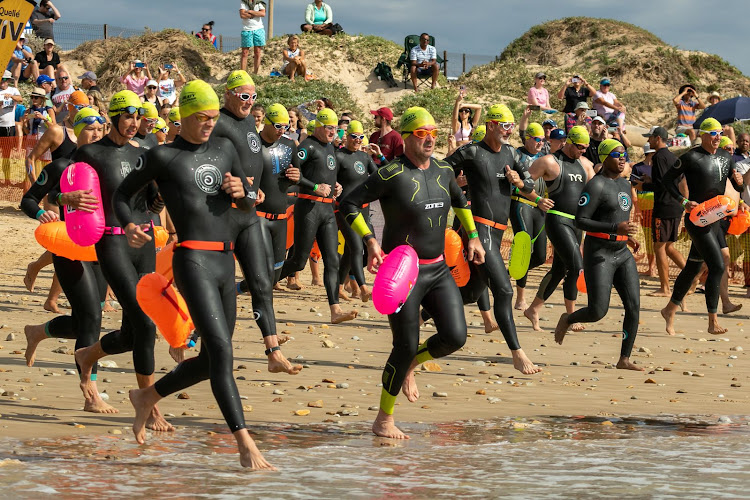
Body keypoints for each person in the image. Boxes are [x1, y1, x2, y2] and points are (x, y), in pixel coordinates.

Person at [113, 80, 274, 470]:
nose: (209, 124)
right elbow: (121, 195)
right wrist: (130, 224)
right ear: (183, 117)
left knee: (212, 360)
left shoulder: (225, 148)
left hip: (225, 261)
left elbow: (250, 200)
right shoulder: (163, 157)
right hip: (192, 260)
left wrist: (243, 191)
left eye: (213, 116)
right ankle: (245, 443)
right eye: (201, 117)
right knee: (220, 351)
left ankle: (146, 397)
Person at [339, 106, 484, 439]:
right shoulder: (391, 174)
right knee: (403, 346)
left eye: (433, 132)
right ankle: (383, 419)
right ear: (406, 137)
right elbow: (348, 202)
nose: (430, 138)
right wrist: (371, 243)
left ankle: (411, 366)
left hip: (437, 269)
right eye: (422, 133)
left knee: (455, 337)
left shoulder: (445, 170)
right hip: (403, 274)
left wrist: (473, 237)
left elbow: (460, 201)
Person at [70, 90, 173, 433]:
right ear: (113, 117)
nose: (133, 124)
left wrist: (158, 202)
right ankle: (149, 403)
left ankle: (88, 355)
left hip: (143, 241)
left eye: (138, 117)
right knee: (145, 323)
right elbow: (60, 185)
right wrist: (63, 197)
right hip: (111, 241)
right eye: (127, 117)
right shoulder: (90, 152)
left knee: (134, 332)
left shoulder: (144, 154)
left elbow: (153, 201)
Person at [20, 107, 118, 412]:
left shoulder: (107, 165)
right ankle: (91, 394)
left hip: (100, 247)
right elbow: (29, 200)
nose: (96, 134)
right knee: (89, 317)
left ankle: (38, 331)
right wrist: (54, 204)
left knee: (89, 320)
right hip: (70, 246)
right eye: (90, 129)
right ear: (77, 132)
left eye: (100, 129)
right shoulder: (62, 166)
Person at [212, 71, 302, 375]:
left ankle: (273, 351)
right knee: (219, 287)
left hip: (248, 214)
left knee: (263, 283)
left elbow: (253, 162)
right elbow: (207, 163)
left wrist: (257, 187)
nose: (249, 102)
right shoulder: (218, 124)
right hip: (221, 215)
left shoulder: (249, 123)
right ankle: (190, 335)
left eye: (253, 96)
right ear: (228, 94)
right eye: (243, 95)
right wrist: (229, 184)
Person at [445, 104, 542, 375]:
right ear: (490, 125)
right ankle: (517, 352)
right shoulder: (473, 151)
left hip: (498, 232)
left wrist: (520, 182)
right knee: (504, 290)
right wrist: (457, 188)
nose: (509, 131)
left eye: (512, 126)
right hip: (479, 230)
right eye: (504, 125)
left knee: (472, 292)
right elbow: (439, 172)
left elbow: (530, 182)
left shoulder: (511, 153)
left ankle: (419, 315)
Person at [554, 139, 644, 371]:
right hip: (600, 254)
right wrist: (616, 230)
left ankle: (624, 358)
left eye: (624, 153)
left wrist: (627, 237)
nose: (622, 158)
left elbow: (617, 217)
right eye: (616, 154)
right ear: (605, 158)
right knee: (597, 311)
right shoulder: (596, 186)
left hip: (622, 252)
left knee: (634, 306)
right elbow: (580, 220)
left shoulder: (625, 185)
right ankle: (569, 318)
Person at [661, 118, 746, 335]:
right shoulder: (691, 157)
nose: (717, 137)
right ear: (703, 135)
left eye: (720, 133)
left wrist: (738, 181)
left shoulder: (726, 156)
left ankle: (669, 309)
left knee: (693, 268)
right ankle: (713, 321)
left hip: (716, 217)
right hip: (698, 219)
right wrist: (682, 201)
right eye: (713, 133)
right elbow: (667, 180)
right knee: (717, 265)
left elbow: (738, 184)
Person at [278, 108, 358, 324]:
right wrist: (314, 186)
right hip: (309, 208)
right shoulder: (308, 146)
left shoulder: (330, 147)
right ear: (320, 127)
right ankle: (261, 283)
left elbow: (326, 175)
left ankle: (335, 310)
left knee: (333, 260)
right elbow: (292, 173)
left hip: (328, 210)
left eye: (336, 129)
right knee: (297, 261)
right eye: (330, 128)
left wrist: (335, 185)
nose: (335, 132)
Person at [524, 126, 596, 332]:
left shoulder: (585, 165)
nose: (583, 151)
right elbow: (522, 184)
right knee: (576, 266)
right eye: (580, 147)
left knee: (559, 270)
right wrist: (537, 200)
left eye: (586, 148)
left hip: (577, 223)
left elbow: (596, 191)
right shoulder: (549, 162)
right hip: (557, 220)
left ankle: (533, 309)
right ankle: (571, 316)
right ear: (569, 143)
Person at [508, 122, 553, 310]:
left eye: (543, 140)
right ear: (527, 139)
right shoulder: (517, 155)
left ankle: (510, 272)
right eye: (537, 139)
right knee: (525, 250)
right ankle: (520, 298)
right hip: (521, 204)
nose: (540, 143)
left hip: (539, 206)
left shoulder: (544, 158)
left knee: (540, 256)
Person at [639, 126, 687, 296]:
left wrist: (643, 185)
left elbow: (661, 184)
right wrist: (684, 203)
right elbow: (680, 182)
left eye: (650, 138)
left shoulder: (658, 157)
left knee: (659, 247)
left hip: (664, 206)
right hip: (676, 205)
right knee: (668, 247)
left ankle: (665, 288)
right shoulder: (674, 157)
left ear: (658, 138)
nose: (648, 140)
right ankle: (693, 276)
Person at [335, 120, 377, 301]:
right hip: (344, 209)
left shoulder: (365, 157)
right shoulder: (339, 156)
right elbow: (328, 176)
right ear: (346, 137)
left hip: (363, 210)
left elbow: (379, 177)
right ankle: (363, 287)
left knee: (354, 250)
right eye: (354, 136)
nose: (357, 140)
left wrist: (380, 157)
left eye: (361, 137)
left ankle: (337, 286)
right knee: (356, 247)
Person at [631, 143, 656, 276]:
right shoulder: (638, 167)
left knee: (656, 238)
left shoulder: (658, 167)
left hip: (657, 206)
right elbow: (633, 188)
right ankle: (651, 268)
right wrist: (637, 207)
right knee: (648, 238)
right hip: (645, 207)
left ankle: (652, 267)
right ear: (650, 153)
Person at [239, 0, 266, 74]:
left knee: (257, 52)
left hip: (258, 29)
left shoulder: (259, 2)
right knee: (245, 52)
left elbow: (263, 13)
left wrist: (250, 11)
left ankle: (255, 73)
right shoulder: (244, 2)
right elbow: (242, 15)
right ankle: (243, 73)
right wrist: (256, 14)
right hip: (247, 29)